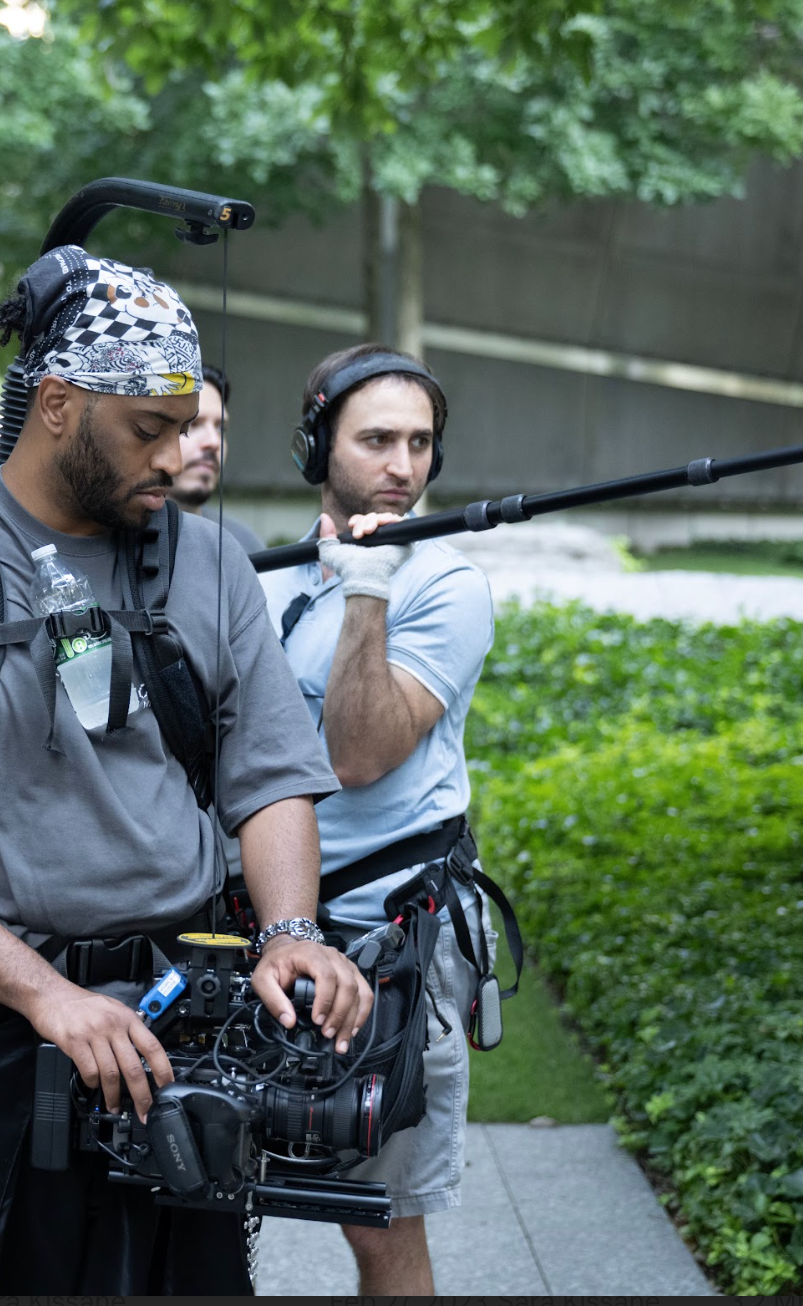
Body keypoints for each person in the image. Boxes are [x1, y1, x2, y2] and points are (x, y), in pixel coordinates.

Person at [0, 246, 374, 1293]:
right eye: (149, 428)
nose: (179, 453)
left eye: (187, 424)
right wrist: (47, 994)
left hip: (177, 1029)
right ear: (57, 402)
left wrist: (290, 931)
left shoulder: (210, 562)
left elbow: (269, 770)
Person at [260, 342, 497, 1294]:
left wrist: (367, 586)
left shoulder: (446, 585)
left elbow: (358, 754)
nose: (402, 468)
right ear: (318, 447)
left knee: (380, 1226)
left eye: (420, 443)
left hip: (393, 942)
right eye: (376, 441)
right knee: (202, 1184)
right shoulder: (278, 579)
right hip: (273, 930)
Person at [171, 363, 264, 555]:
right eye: (193, 424)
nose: (214, 442)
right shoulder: (112, 539)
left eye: (220, 428)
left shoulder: (243, 547)